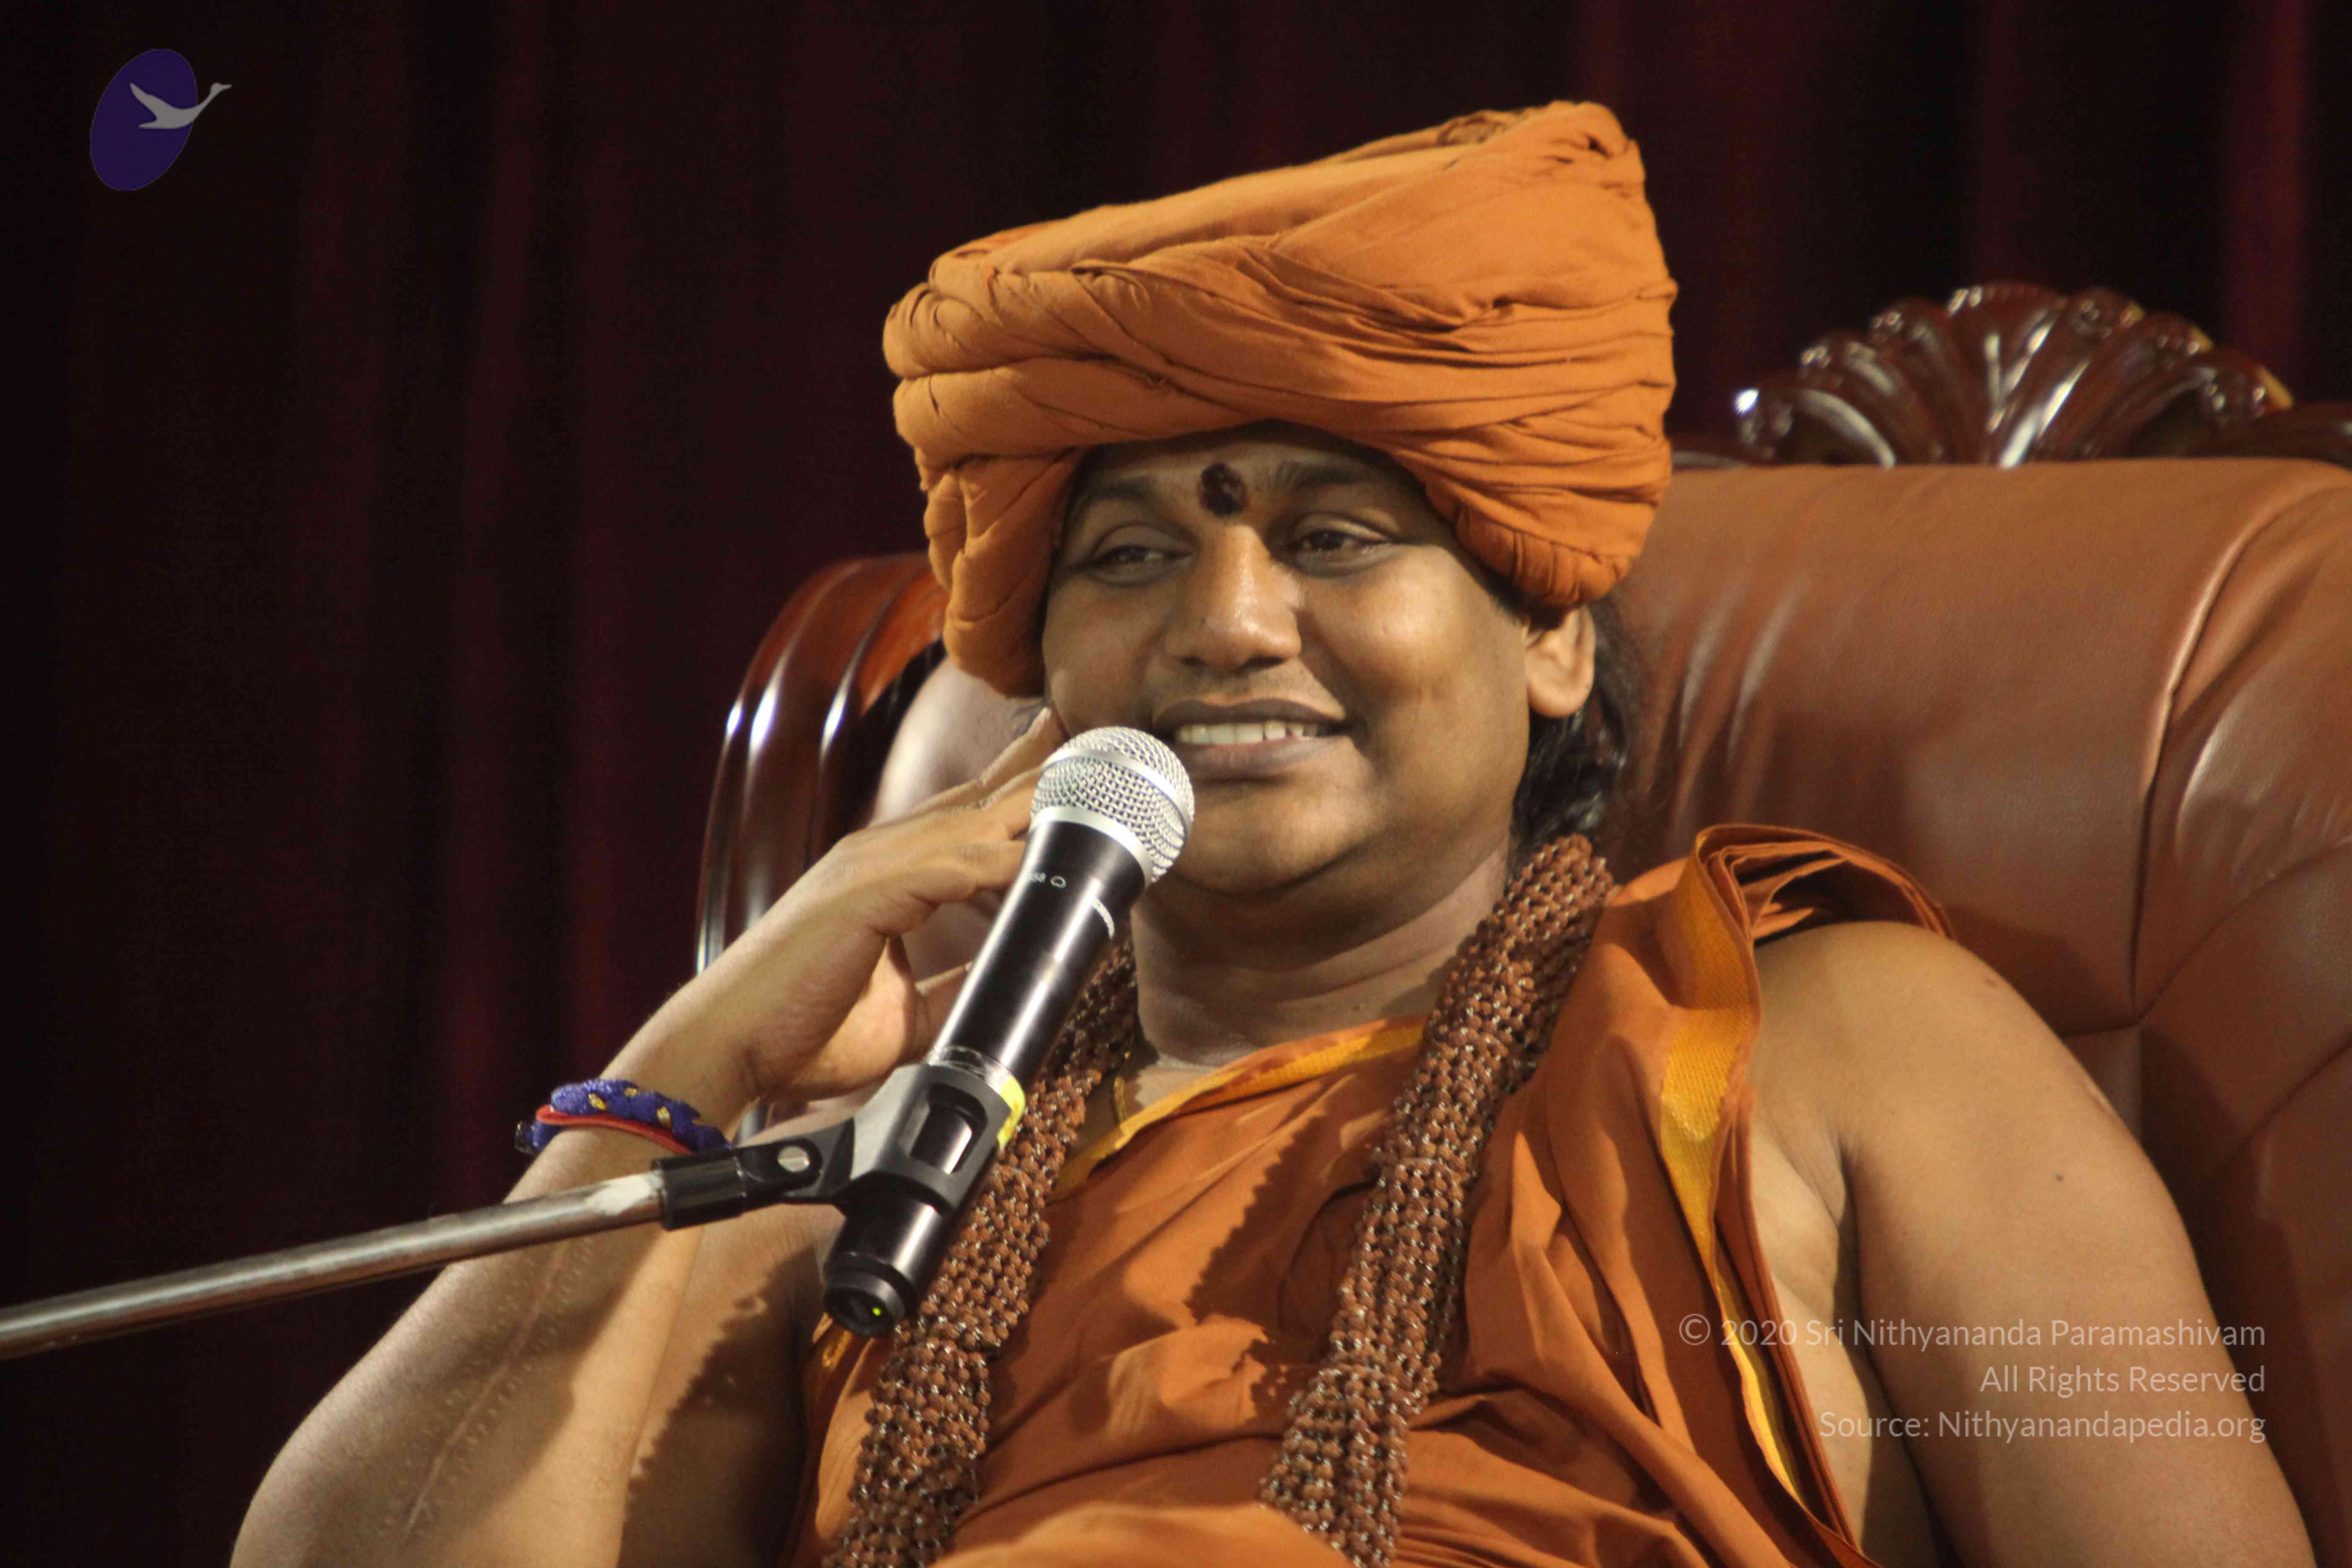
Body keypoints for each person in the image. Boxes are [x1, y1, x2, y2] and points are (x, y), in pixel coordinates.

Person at [235, 105, 2314, 1568]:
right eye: (1131, 555)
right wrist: (693, 1060)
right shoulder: (877, 1179)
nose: (1227, 625)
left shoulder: (1844, 1046)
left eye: (1331, 539)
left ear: (1551, 637)